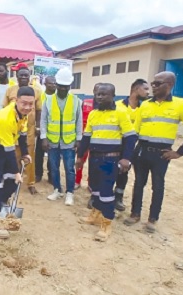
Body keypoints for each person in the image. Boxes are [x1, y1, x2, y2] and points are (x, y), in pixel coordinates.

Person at [124, 71, 183, 233]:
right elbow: (135, 131)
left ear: (170, 85)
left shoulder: (180, 104)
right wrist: (129, 154)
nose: (153, 87)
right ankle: (135, 214)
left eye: (158, 84)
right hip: (142, 151)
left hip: (161, 154)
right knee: (138, 183)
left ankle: (152, 219)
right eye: (153, 83)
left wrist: (179, 152)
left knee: (158, 185)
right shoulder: (145, 105)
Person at [76, 83, 137, 241]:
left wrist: (126, 158)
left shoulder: (120, 113)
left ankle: (106, 223)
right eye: (98, 94)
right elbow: (87, 137)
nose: (100, 97)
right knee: (94, 189)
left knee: (106, 192)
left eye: (104, 94)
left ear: (113, 96)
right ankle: (95, 215)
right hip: (94, 157)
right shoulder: (93, 114)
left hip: (110, 159)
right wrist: (80, 157)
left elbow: (130, 137)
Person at [0, 86, 33, 239]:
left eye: (31, 104)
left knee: (11, 180)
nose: (27, 107)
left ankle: (1, 203)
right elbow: (9, 151)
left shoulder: (24, 115)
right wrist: (18, 172)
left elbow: (22, 136)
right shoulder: (6, 117)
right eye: (24, 103)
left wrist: (25, 153)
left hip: (6, 144)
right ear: (16, 101)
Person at [41, 68, 82, 206]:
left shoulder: (76, 101)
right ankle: (57, 190)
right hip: (52, 141)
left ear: (70, 86)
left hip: (69, 142)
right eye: (61, 86)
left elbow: (79, 121)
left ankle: (69, 193)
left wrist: (79, 138)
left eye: (66, 86)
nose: (63, 89)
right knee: (54, 167)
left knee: (69, 168)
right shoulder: (48, 100)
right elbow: (44, 120)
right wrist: (43, 137)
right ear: (56, 85)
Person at [3, 67, 42, 195]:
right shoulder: (10, 90)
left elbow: (39, 110)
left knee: (29, 158)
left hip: (29, 130)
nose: (24, 77)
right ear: (17, 76)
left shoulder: (37, 91)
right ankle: (13, 181)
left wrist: (37, 126)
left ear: (30, 76)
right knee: (13, 158)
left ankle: (31, 183)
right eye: (21, 75)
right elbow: (4, 108)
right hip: (13, 130)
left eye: (26, 75)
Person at [113, 78, 149, 211]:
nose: (148, 92)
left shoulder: (144, 109)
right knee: (109, 170)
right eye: (145, 89)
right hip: (116, 144)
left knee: (124, 172)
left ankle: (118, 197)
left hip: (131, 147)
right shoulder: (118, 105)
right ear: (135, 89)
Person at [35, 76, 56, 183]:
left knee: (52, 154)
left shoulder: (59, 97)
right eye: (50, 83)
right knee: (39, 153)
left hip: (54, 130)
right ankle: (38, 174)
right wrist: (38, 127)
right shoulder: (40, 96)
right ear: (45, 84)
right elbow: (37, 112)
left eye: (54, 83)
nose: (53, 85)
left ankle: (51, 176)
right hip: (42, 129)